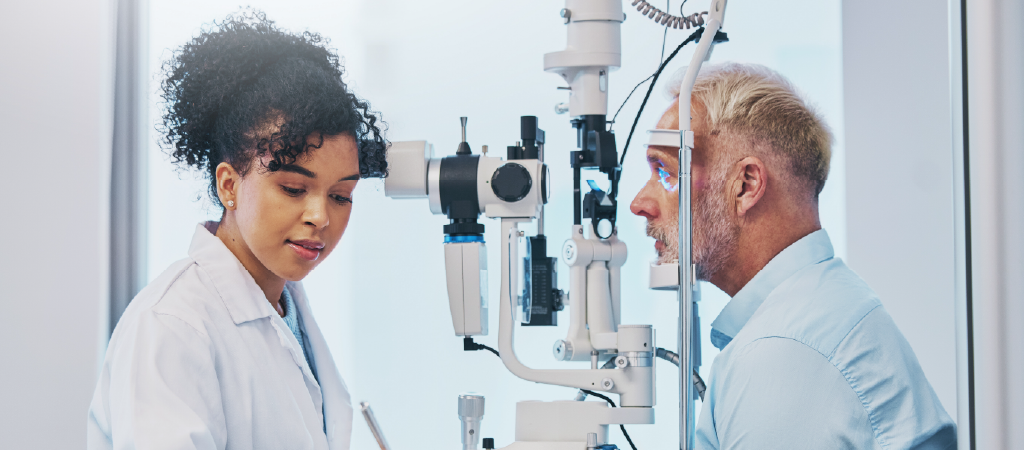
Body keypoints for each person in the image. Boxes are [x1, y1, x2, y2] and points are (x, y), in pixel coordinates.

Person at [87, 11, 387, 450]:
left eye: (341, 196)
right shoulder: (173, 325)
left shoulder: (286, 308)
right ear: (229, 184)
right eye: (293, 188)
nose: (321, 217)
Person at [630, 63, 956, 449]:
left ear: (746, 185)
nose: (640, 203)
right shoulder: (820, 313)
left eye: (666, 173)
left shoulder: (784, 353)